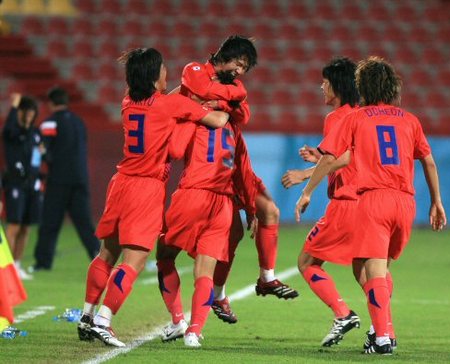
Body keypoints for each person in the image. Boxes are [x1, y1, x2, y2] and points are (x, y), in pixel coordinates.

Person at [76, 48, 229, 347]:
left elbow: (170, 98)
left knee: (107, 253)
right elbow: (217, 120)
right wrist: (222, 108)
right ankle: (105, 321)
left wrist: (185, 93)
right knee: (134, 260)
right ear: (154, 75)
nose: (166, 73)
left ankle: (87, 315)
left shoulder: (128, 101)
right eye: (162, 69)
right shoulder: (169, 106)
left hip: (119, 182)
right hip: (145, 188)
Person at [295, 56, 447, 355]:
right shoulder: (410, 120)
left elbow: (329, 157)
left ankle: (382, 338)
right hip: (405, 202)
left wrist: (307, 191)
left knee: (372, 272)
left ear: (361, 86)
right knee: (377, 271)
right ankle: (383, 331)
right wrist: (437, 202)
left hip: (373, 199)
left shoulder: (356, 117)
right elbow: (428, 160)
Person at [156, 35, 296, 335]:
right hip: (209, 174)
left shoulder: (228, 91)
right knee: (228, 235)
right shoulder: (196, 71)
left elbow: (243, 111)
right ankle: (217, 297)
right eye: (239, 64)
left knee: (266, 212)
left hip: (229, 167)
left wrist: (220, 101)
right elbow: (210, 92)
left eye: (245, 68)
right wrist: (223, 100)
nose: (240, 72)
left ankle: (263, 278)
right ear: (223, 56)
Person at [281, 57, 362, 347]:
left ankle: (343, 314)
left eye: (325, 82)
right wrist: (318, 160)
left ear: (337, 86)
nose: (321, 87)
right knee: (367, 270)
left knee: (306, 262)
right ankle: (383, 330)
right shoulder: (363, 115)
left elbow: (334, 158)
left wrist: (306, 179)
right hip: (370, 203)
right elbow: (351, 156)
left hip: (346, 202)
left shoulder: (337, 117)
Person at [29, 87, 99, 272]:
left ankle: (43, 262)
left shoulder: (49, 123)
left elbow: (43, 150)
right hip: (80, 179)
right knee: (84, 223)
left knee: (50, 223)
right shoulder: (79, 122)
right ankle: (98, 257)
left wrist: (45, 158)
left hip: (58, 180)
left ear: (51, 103)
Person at [2, 93, 43, 280]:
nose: (29, 116)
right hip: (15, 183)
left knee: (26, 227)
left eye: (31, 113)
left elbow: (39, 157)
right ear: (19, 113)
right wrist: (14, 105)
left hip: (32, 185)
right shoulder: (13, 132)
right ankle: (7, 268)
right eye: (25, 112)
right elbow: (8, 129)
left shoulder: (35, 134)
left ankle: (17, 265)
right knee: (14, 225)